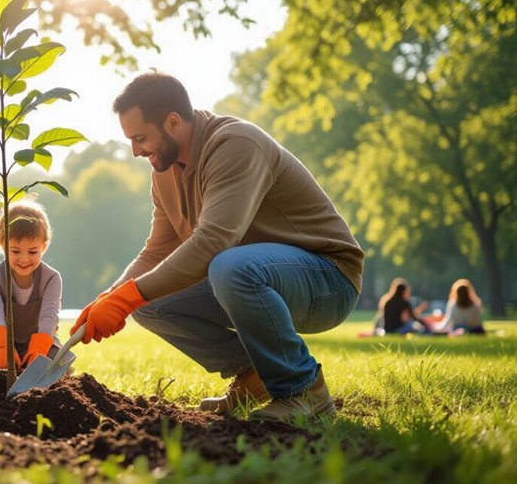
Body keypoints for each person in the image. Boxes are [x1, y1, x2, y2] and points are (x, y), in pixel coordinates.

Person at [70, 72, 364, 422]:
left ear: (173, 122)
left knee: (228, 266)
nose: (135, 151)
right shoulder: (163, 171)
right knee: (150, 303)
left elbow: (212, 241)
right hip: (259, 277)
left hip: (327, 279)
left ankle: (303, 390)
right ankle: (256, 376)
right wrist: (112, 296)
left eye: (140, 138)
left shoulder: (236, 145)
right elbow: (157, 251)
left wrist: (128, 296)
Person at [0, 200, 68, 370]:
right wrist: (1, 348)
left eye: (33, 251)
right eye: (15, 251)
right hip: (0, 342)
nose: (24, 259)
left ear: (44, 246)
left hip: (40, 340)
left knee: (58, 362)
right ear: (2, 245)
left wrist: (39, 349)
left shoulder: (51, 278)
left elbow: (49, 316)